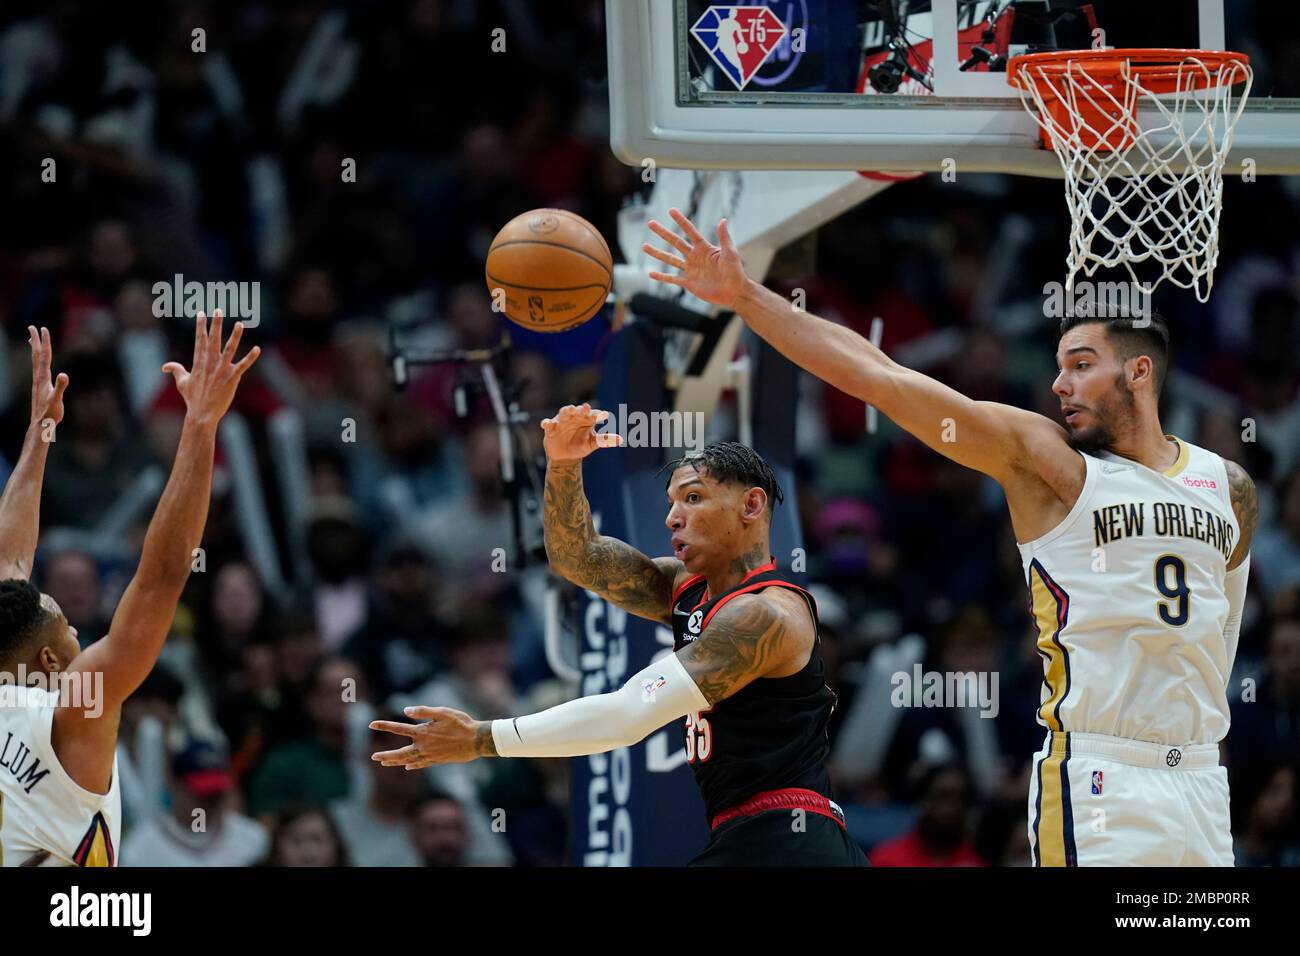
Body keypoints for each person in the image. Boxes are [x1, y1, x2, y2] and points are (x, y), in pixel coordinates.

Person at [641, 209, 1259, 866]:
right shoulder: (1048, 464)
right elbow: (881, 376)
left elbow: (1218, 642)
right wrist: (744, 296)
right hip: (1102, 773)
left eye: (1080, 365)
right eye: (1057, 366)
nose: (1059, 384)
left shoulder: (1229, 486)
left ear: (1139, 373)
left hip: (1196, 774)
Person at [370, 416, 868, 866]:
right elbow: (579, 557)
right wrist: (563, 464)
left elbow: (630, 713)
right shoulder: (686, 590)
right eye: (672, 503)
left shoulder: (763, 614)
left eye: (693, 498)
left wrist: (484, 738)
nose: (673, 518)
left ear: (751, 505)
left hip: (788, 837)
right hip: (746, 835)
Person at [0, 313, 259, 866]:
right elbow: (162, 579)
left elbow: (12, 562)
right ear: (49, 659)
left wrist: (39, 436)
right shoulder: (72, 710)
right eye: (64, 623)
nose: (74, 627)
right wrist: (201, 429)